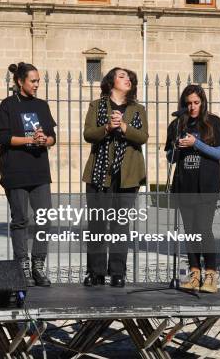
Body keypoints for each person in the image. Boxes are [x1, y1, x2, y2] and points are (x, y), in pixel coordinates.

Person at [82, 67, 148, 288]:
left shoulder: (138, 109)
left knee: (121, 225)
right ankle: (95, 271)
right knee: (97, 224)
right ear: (111, 82)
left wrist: (125, 126)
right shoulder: (97, 106)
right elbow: (88, 134)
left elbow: (143, 137)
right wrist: (108, 127)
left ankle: (118, 272)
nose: (127, 79)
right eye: (122, 76)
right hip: (99, 174)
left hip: (128, 175)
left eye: (130, 77)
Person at [0, 62, 56, 287]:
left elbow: (52, 137)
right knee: (20, 220)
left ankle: (38, 266)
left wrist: (44, 140)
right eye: (33, 81)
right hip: (16, 171)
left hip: (39, 171)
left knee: (44, 219)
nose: (37, 85)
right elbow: (5, 138)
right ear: (20, 81)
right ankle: (22, 266)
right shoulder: (8, 105)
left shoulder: (42, 105)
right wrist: (31, 139)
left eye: (38, 81)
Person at [165, 84, 220, 293]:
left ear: (203, 102)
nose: (192, 107)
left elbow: (219, 153)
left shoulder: (213, 122)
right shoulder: (177, 125)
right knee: (190, 231)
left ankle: (210, 274)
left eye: (196, 103)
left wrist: (195, 144)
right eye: (188, 103)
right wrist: (176, 146)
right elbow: (169, 158)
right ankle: (194, 273)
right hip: (185, 184)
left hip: (206, 185)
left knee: (203, 229)